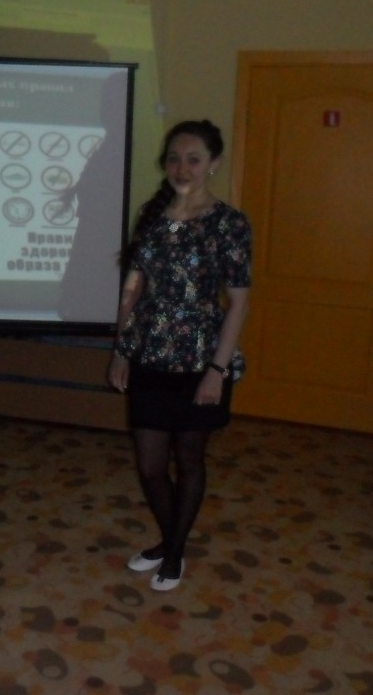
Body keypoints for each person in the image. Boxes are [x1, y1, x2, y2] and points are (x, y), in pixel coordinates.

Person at [107, 119, 251, 591]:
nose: (181, 167)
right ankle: (172, 543)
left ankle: (173, 553)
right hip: (149, 353)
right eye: (174, 158)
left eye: (193, 159)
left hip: (200, 360)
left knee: (189, 460)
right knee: (150, 465)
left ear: (213, 164)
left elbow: (238, 303)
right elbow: (133, 289)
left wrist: (217, 370)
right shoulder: (151, 216)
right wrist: (121, 349)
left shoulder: (229, 223)